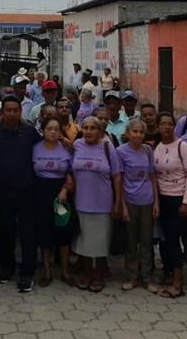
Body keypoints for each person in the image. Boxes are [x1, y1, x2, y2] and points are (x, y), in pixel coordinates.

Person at [0, 94, 39, 292]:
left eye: (15, 110)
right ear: (3, 112)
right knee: (5, 231)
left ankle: (27, 272)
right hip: (2, 189)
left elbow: (45, 145)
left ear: (20, 111)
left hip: (26, 190)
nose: (12, 114)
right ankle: (7, 267)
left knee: (27, 232)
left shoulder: (30, 131)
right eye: (8, 110)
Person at [71, 116, 123, 293]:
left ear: (100, 131)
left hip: (102, 203)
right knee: (84, 243)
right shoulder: (77, 145)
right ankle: (87, 274)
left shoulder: (107, 147)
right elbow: (69, 168)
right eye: (85, 128)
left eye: (93, 128)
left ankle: (99, 276)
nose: (88, 131)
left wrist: (117, 202)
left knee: (100, 243)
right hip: (81, 201)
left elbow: (117, 176)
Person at [154, 112, 187, 299]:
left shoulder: (182, 146)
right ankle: (168, 273)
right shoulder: (157, 147)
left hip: (178, 199)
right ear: (158, 127)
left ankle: (178, 282)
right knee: (164, 240)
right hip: (163, 199)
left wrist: (186, 202)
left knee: (174, 240)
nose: (167, 127)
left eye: (170, 123)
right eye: (163, 124)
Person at [117, 117, 159, 292]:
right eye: (135, 131)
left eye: (141, 132)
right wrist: (122, 206)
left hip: (147, 201)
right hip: (130, 201)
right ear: (128, 133)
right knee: (131, 242)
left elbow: (152, 176)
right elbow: (119, 180)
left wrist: (156, 202)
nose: (138, 135)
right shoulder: (120, 152)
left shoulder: (147, 150)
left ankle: (147, 278)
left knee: (146, 241)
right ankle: (132, 276)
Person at [32, 116, 74, 287]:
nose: (53, 132)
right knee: (45, 232)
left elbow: (71, 173)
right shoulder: (34, 148)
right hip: (40, 192)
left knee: (64, 231)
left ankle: (65, 271)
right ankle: (47, 271)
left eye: (56, 129)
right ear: (42, 131)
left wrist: (65, 189)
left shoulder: (66, 148)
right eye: (49, 129)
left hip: (61, 192)